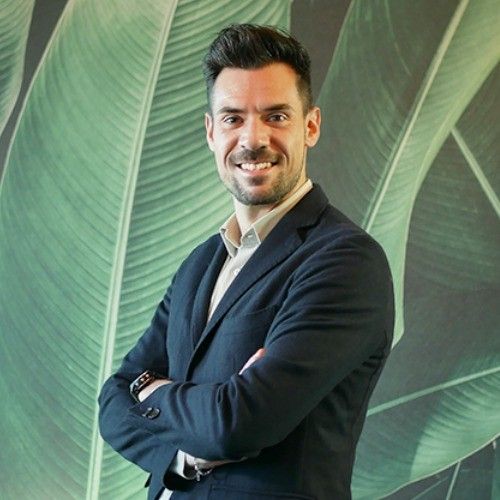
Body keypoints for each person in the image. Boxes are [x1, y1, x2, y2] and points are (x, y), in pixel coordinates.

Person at [98, 24, 394, 500]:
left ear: (310, 126)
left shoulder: (346, 262)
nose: (252, 139)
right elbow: (113, 403)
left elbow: (237, 423)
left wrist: (150, 391)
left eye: (276, 116)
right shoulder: (201, 264)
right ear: (211, 132)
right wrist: (185, 458)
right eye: (233, 118)